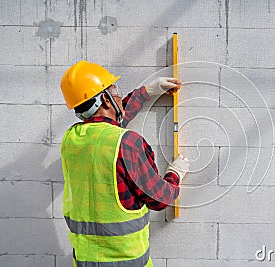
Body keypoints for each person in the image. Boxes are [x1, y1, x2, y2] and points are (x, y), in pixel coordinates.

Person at [59, 60, 190, 267]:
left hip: (84, 261)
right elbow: (160, 199)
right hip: (126, 262)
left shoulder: (71, 139)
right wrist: (175, 174)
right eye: (115, 91)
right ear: (106, 99)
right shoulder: (128, 143)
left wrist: (146, 92)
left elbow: (106, 127)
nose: (119, 94)